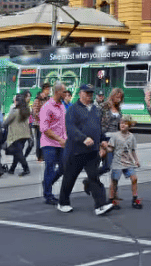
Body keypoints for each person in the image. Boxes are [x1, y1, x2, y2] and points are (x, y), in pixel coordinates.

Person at [57, 84, 113, 215]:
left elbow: (97, 128)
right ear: (80, 93)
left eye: (91, 93)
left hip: (92, 151)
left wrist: (103, 140)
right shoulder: (73, 109)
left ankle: (100, 205)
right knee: (69, 178)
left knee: (94, 177)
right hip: (76, 151)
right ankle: (63, 202)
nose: (89, 95)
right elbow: (70, 129)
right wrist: (83, 138)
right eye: (87, 93)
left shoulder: (95, 109)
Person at [39, 84, 67, 206]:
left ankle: (47, 182)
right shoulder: (47, 107)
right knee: (50, 166)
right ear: (58, 92)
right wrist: (59, 139)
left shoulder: (62, 106)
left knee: (63, 168)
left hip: (61, 143)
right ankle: (48, 195)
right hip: (49, 142)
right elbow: (44, 128)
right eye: (64, 91)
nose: (66, 94)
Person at [107, 115, 142, 210]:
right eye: (121, 123)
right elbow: (110, 148)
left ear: (129, 125)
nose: (122, 125)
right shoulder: (115, 136)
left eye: (125, 123)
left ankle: (135, 199)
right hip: (117, 162)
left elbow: (133, 150)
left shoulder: (131, 137)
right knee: (114, 181)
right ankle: (111, 200)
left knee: (134, 178)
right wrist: (105, 147)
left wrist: (136, 160)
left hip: (128, 162)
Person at [3, 93, 32, 176]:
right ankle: (12, 169)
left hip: (17, 135)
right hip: (25, 135)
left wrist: (2, 125)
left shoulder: (15, 111)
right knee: (17, 152)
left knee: (18, 153)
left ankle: (26, 168)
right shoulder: (26, 110)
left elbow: (7, 121)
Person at [99, 88, 124, 172]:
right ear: (112, 96)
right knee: (108, 165)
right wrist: (101, 140)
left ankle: (91, 180)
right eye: (117, 97)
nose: (119, 99)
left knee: (112, 165)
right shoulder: (104, 107)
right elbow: (97, 122)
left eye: (120, 97)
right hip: (106, 137)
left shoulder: (118, 109)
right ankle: (90, 180)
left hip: (116, 139)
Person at [31, 84, 51, 162]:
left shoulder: (49, 99)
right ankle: (40, 156)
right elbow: (34, 112)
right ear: (44, 89)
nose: (49, 91)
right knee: (39, 140)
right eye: (48, 89)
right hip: (39, 124)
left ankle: (45, 155)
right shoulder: (38, 99)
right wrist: (43, 116)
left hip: (47, 124)